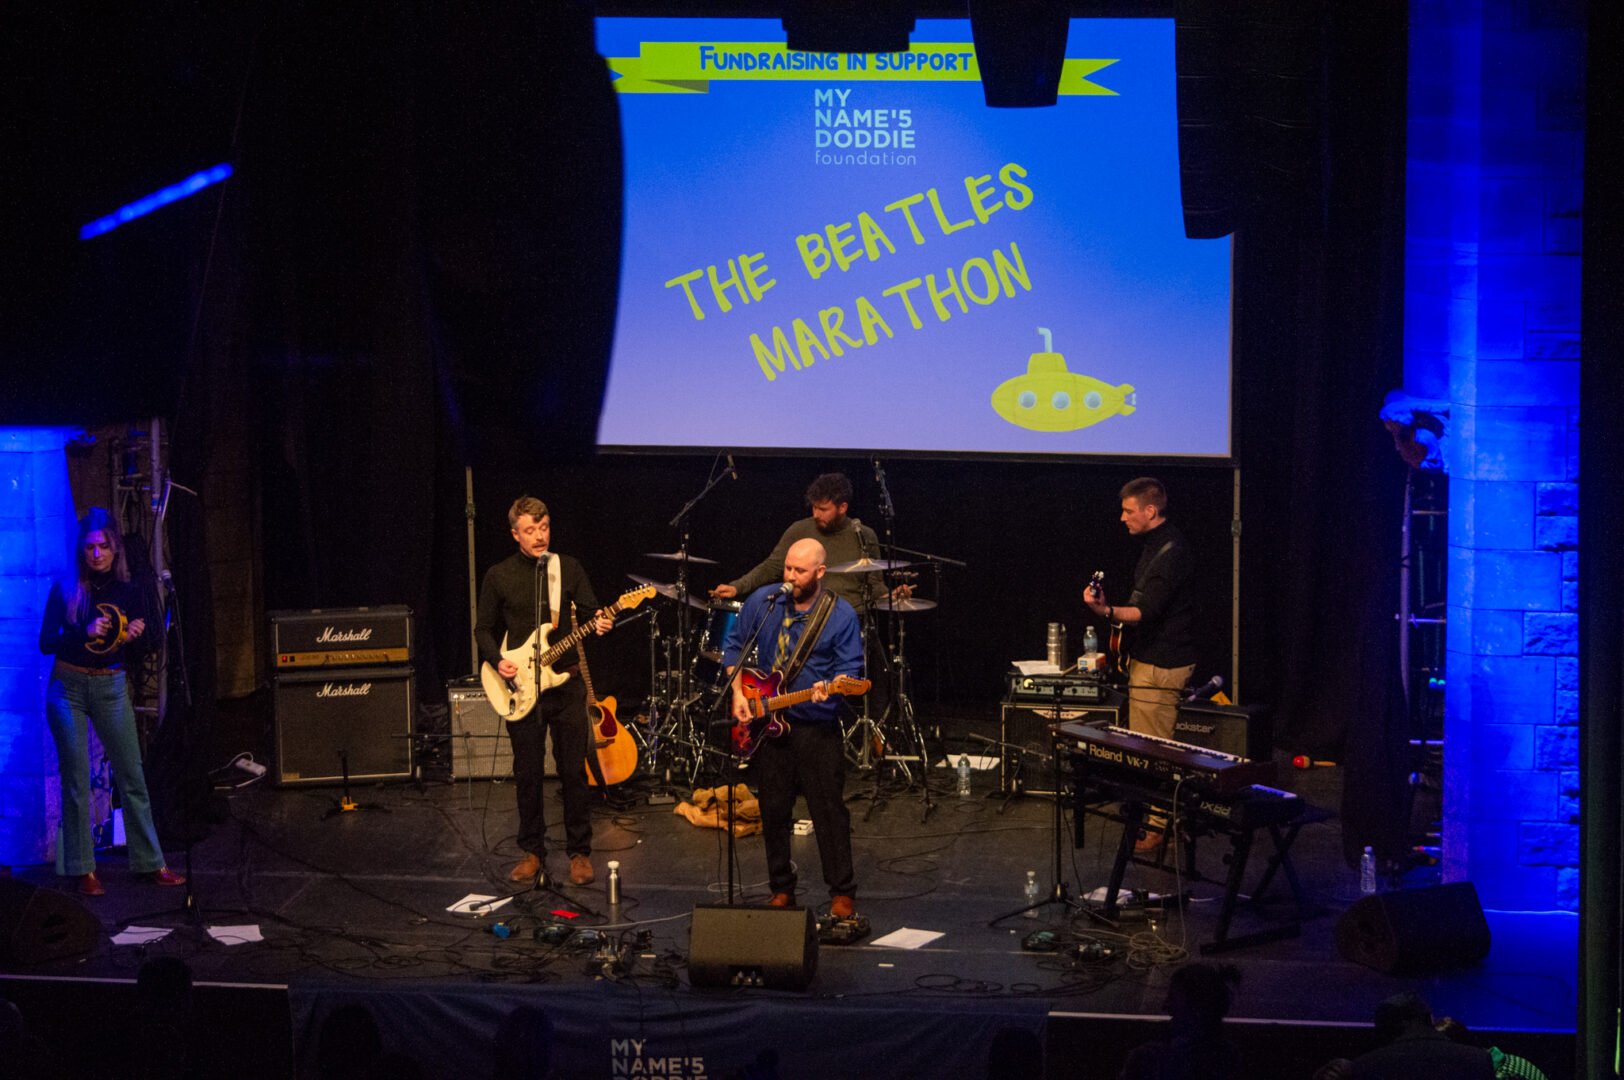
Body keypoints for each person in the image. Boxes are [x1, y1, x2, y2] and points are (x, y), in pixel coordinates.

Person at [38, 508, 185, 897]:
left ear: (115, 548)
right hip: (67, 686)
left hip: (110, 686)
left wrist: (135, 632)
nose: (97, 554)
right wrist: (79, 630)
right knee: (75, 778)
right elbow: (45, 643)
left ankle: (151, 862)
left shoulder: (129, 589)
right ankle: (82, 868)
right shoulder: (66, 587)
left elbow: (145, 641)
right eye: (90, 548)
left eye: (104, 546)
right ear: (81, 550)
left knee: (132, 775)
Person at [475, 496, 613, 887]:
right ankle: (533, 851)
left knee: (573, 771)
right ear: (515, 533)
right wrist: (496, 661)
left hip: (565, 682)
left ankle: (580, 852)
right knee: (528, 773)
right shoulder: (498, 575)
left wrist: (601, 623)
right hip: (522, 686)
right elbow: (482, 629)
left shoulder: (566, 568)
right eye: (530, 530)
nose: (539, 536)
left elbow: (589, 613)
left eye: (544, 527)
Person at [722, 538, 864, 916]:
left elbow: (851, 673)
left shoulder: (841, 614)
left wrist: (828, 691)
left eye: (799, 571)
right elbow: (733, 647)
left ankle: (842, 892)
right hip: (769, 724)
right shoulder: (764, 602)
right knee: (773, 808)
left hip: (816, 727)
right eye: (787, 568)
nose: (790, 577)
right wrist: (738, 694)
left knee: (828, 811)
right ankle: (781, 887)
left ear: (820, 572)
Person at [1084, 477, 1199, 742]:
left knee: (1152, 750)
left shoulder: (1172, 552)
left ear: (1150, 511)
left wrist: (1105, 610)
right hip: (1150, 660)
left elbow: (1144, 612)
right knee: (1145, 744)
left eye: (1129, 511)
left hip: (1162, 666)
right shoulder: (1156, 544)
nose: (1123, 518)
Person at [1117, 962, 1243, 1080]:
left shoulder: (1147, 1059)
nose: (1164, 1005)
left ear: (1196, 1011)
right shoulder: (1229, 1057)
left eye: (1173, 998)